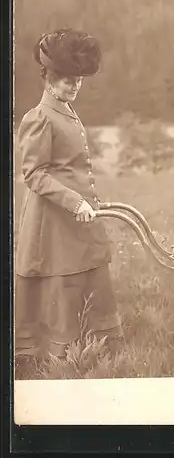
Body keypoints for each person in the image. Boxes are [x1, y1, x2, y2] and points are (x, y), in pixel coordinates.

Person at [15, 28, 124, 379]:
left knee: (90, 272)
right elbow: (34, 174)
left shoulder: (67, 111)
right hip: (55, 219)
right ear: (48, 78)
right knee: (63, 282)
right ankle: (57, 355)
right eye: (66, 81)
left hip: (79, 216)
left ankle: (94, 346)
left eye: (78, 81)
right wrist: (75, 200)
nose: (74, 87)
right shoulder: (39, 118)